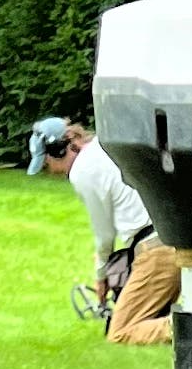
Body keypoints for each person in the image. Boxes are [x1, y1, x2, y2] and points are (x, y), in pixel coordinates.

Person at [29, 109, 181, 348]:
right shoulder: (106, 143)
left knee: (121, 332)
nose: (53, 171)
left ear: (60, 149)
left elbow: (105, 234)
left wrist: (101, 276)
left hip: (157, 252)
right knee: (150, 316)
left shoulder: (82, 171)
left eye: (49, 163)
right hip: (177, 236)